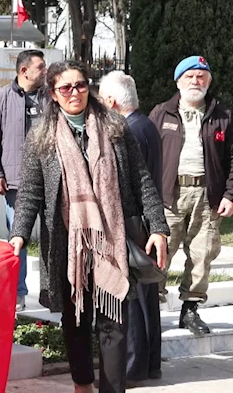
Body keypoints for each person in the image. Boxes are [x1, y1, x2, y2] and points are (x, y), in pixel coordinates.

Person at [9, 60, 168, 393]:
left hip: (112, 240)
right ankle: (83, 383)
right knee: (76, 319)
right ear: (53, 94)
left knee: (114, 322)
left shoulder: (115, 128)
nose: (75, 93)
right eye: (65, 88)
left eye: (80, 85)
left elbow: (142, 180)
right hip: (68, 244)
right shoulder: (41, 139)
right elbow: (30, 194)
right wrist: (18, 235)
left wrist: (158, 227)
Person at [148, 55, 233, 335]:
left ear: (209, 81)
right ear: (178, 81)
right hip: (168, 194)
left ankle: (191, 309)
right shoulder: (161, 113)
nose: (195, 81)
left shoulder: (223, 116)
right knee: (161, 251)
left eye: (201, 76)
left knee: (203, 253)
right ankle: (151, 307)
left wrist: (229, 195)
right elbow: (145, 155)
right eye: (190, 76)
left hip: (208, 195)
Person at [98, 70, 164, 384]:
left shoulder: (128, 131)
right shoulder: (146, 124)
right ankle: (150, 363)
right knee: (146, 295)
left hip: (133, 220)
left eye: (100, 98)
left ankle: (135, 366)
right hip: (144, 221)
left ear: (111, 101)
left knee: (133, 296)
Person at [0, 49, 48, 312]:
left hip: (52, 180)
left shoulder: (51, 99)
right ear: (24, 71)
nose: (45, 71)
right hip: (16, 183)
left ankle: (52, 290)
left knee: (54, 237)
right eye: (40, 67)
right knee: (17, 239)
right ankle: (18, 292)